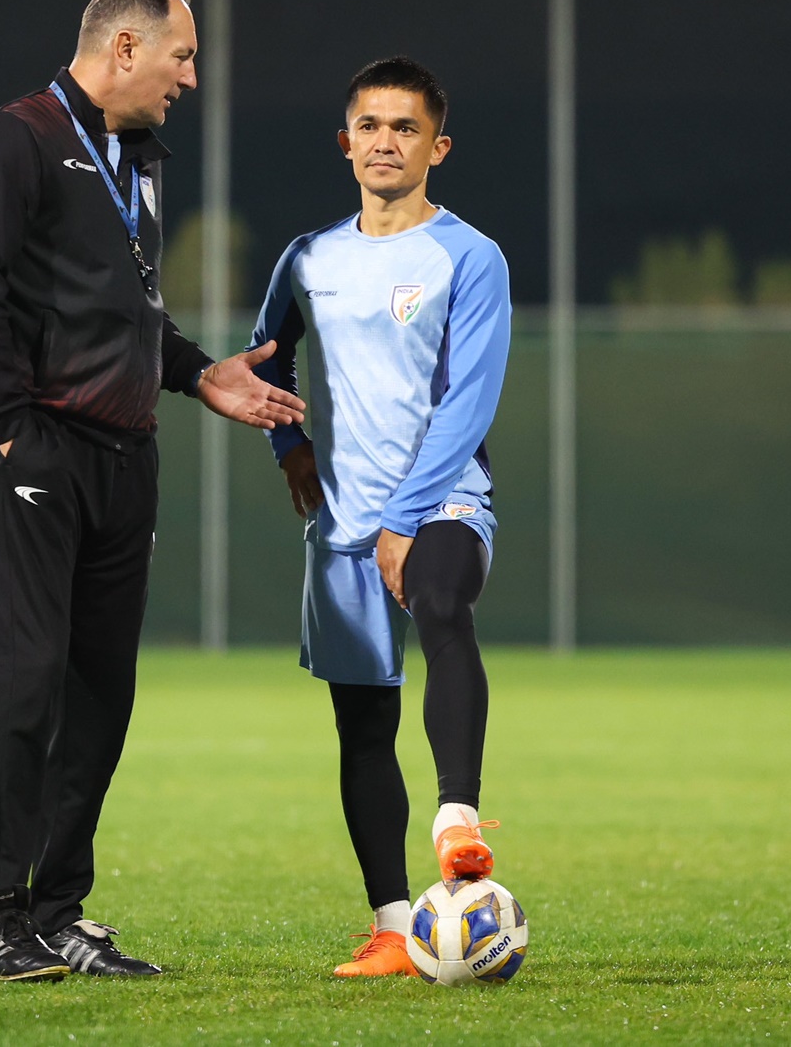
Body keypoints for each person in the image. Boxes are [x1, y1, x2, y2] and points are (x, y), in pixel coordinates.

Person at [0, 0, 304, 982]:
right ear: (126, 49)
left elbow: (127, 310)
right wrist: (9, 433)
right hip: (37, 452)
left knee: (101, 696)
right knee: (26, 683)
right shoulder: (12, 140)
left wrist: (198, 374)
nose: (191, 77)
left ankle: (58, 912)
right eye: (181, 56)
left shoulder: (131, 155)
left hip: (123, 455)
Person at [249, 56, 511, 977]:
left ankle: (458, 820)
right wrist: (292, 451)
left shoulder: (469, 257)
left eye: (405, 128)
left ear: (437, 146)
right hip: (345, 522)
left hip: (441, 502)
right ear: (345, 141)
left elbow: (469, 402)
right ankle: (395, 927)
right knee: (362, 727)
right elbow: (265, 358)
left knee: (444, 606)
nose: (385, 142)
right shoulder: (310, 257)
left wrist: (404, 516)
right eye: (370, 125)